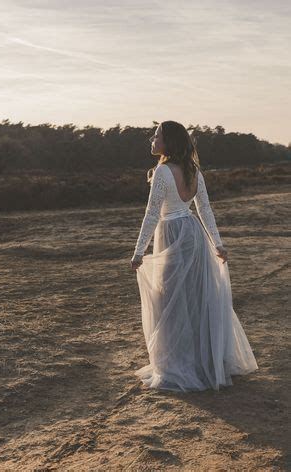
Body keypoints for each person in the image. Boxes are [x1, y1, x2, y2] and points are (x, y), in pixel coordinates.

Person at [130, 121, 258, 392]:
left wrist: (138, 251)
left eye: (157, 136)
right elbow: (205, 211)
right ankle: (202, 360)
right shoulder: (193, 171)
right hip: (192, 234)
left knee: (171, 300)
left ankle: (179, 363)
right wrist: (217, 243)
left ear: (169, 142)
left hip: (173, 233)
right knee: (193, 298)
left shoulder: (163, 171)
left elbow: (152, 214)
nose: (152, 140)